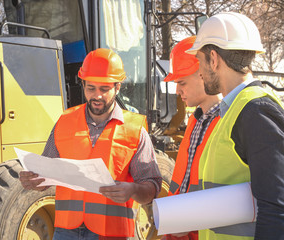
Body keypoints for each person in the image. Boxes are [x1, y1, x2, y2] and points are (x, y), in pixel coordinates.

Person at [19, 48, 162, 240]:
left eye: (105, 89)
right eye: (91, 88)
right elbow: (47, 174)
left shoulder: (134, 130)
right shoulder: (65, 122)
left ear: (117, 87)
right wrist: (35, 180)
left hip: (111, 233)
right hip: (65, 230)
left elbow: (152, 186)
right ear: (83, 84)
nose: (97, 96)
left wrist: (134, 190)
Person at [185, 12, 284, 239]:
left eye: (199, 61)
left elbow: (277, 208)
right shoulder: (234, 110)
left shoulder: (256, 111)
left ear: (213, 58)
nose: (199, 73)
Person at [161, 36, 221, 240]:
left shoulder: (227, 121)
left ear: (203, 73)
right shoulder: (196, 120)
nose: (178, 91)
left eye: (181, 82)